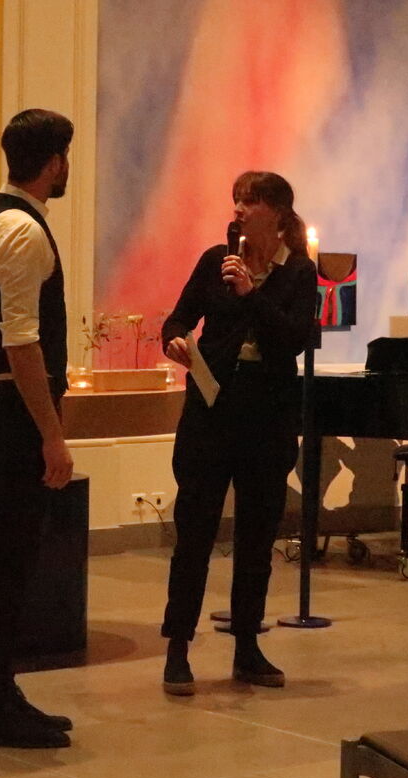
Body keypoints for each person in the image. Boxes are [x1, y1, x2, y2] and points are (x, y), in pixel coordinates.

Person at [159, 171, 318, 695]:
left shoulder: (299, 272)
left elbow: (293, 341)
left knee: (256, 539)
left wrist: (251, 294)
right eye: (236, 200)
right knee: (195, 533)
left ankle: (247, 647)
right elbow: (177, 320)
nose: (239, 209)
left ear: (277, 212)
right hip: (212, 412)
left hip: (267, 419)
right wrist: (175, 341)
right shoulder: (216, 260)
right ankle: (178, 648)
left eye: (249, 201)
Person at [0, 108, 75, 748]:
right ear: (54, 161)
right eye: (65, 157)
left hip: (2, 404)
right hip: (14, 410)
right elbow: (21, 343)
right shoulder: (22, 229)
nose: (66, 168)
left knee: (10, 558)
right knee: (10, 561)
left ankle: (1, 692)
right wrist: (52, 434)